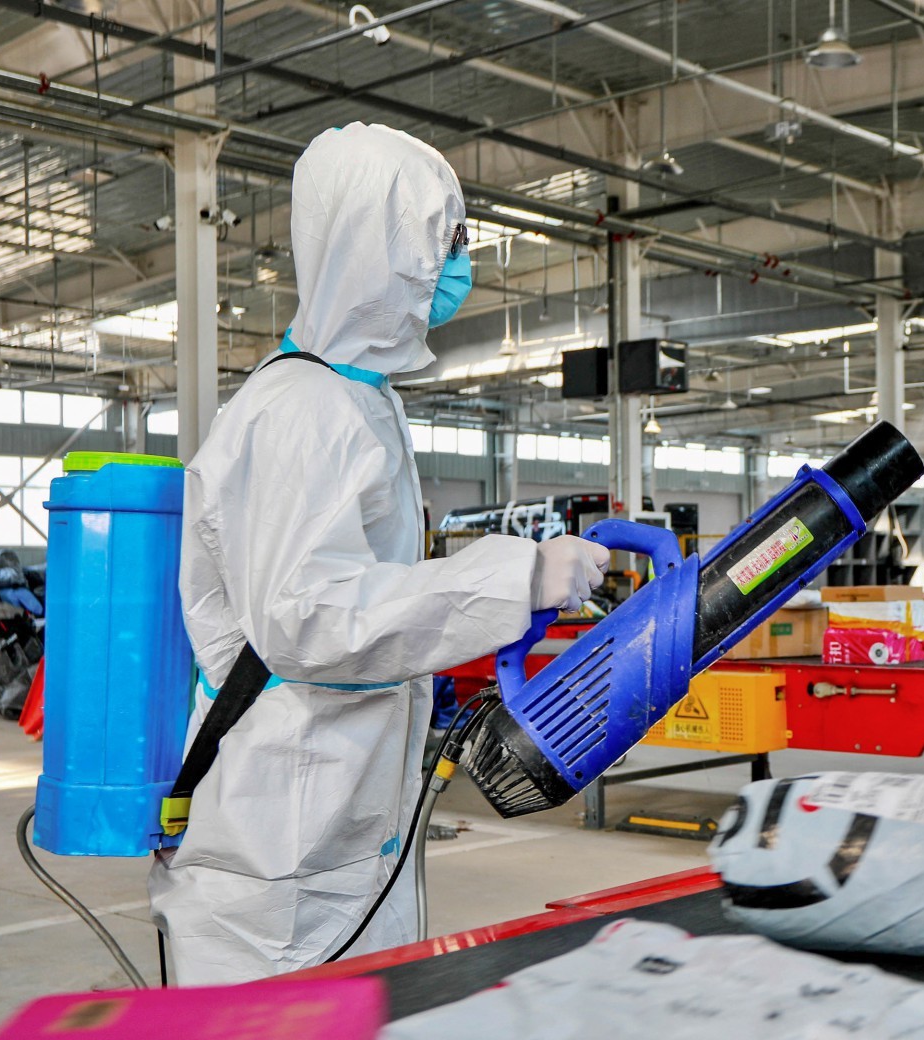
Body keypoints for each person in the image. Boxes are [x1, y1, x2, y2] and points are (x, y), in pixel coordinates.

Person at [149, 122, 608, 984]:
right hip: (281, 856)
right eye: (442, 241)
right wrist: (512, 576)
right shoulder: (300, 411)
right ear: (373, 248)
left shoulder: (362, 403)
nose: (456, 265)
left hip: (343, 829)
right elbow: (308, 619)